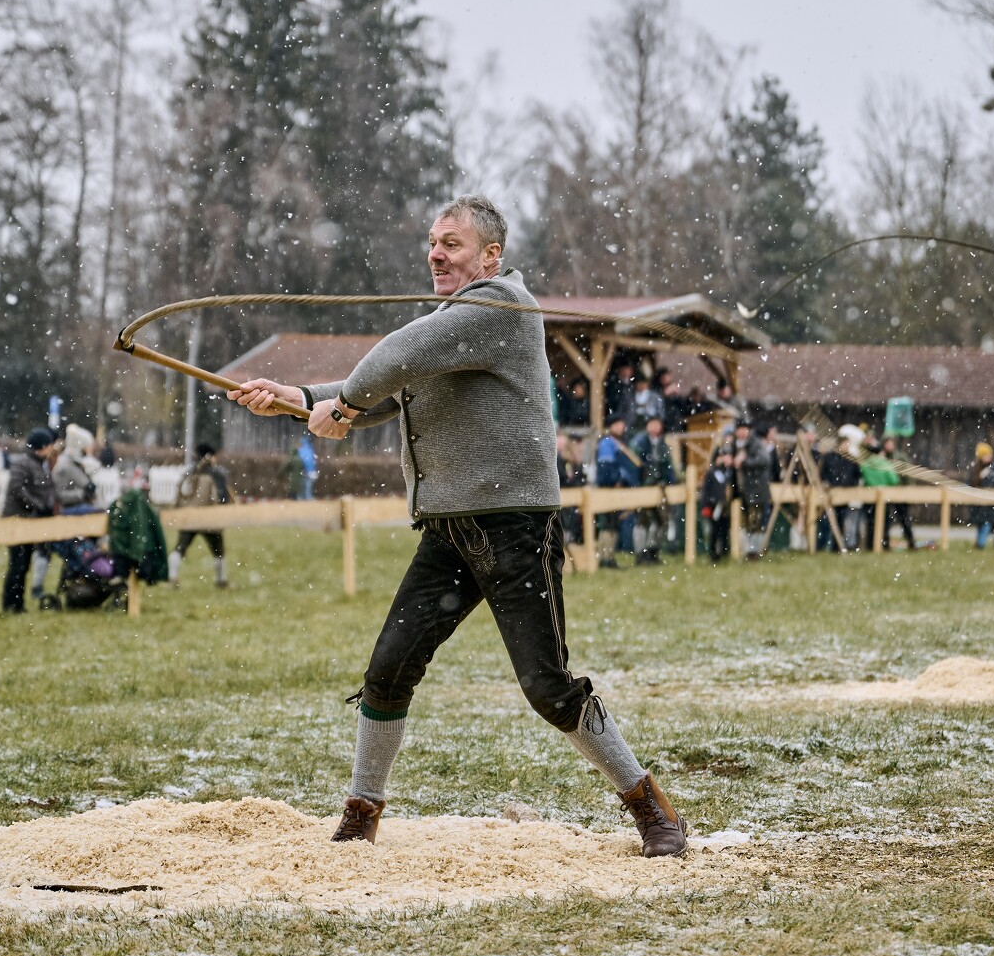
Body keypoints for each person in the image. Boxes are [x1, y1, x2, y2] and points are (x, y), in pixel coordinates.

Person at [227, 194, 687, 857]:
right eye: (433, 242)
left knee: (547, 687)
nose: (435, 253)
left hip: (515, 526)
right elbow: (394, 388)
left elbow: (393, 358)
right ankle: (363, 810)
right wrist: (297, 400)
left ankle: (651, 808)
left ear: (491, 257)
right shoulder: (456, 322)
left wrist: (342, 403)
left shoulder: (499, 305)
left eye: (452, 244)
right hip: (448, 529)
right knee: (388, 671)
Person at [1, 428, 58, 614]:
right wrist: (37, 505)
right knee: (17, 564)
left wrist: (48, 504)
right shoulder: (22, 462)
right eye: (49, 445)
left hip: (30, 521)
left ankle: (18, 603)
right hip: (17, 520)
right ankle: (10, 603)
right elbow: (17, 489)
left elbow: (48, 487)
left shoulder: (41, 463)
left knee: (24, 564)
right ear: (41, 447)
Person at [170, 444, 232, 589]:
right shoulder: (216, 474)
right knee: (218, 551)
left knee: (180, 548)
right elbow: (222, 498)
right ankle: (220, 580)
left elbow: (180, 495)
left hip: (189, 517)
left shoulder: (189, 473)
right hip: (209, 518)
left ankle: (172, 577)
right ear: (210, 457)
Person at [594, 415, 640, 569]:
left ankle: (608, 557)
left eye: (622, 424)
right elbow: (605, 468)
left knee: (612, 524)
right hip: (609, 488)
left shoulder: (618, 443)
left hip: (616, 487)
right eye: (617, 424)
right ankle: (605, 558)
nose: (621, 427)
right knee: (608, 524)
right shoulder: (607, 443)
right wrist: (617, 480)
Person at [629, 416, 676, 564]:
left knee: (660, 520)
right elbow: (634, 466)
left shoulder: (663, 445)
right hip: (643, 487)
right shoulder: (639, 443)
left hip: (659, 488)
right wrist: (636, 486)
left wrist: (670, 481)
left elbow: (668, 466)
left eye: (658, 424)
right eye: (653, 424)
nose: (655, 427)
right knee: (642, 521)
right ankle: (640, 554)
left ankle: (652, 551)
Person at [732, 419, 774, 560]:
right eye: (740, 429)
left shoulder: (755, 443)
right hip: (743, 490)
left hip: (757, 490)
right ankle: (749, 551)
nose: (742, 432)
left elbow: (764, 460)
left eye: (745, 429)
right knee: (747, 523)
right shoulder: (734, 445)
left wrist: (744, 462)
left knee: (755, 522)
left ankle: (754, 552)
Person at [53, 424, 102, 516]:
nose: (90, 449)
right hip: (70, 510)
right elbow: (59, 494)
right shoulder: (65, 465)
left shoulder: (76, 463)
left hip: (78, 508)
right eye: (87, 446)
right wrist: (83, 494)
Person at [698, 445, 735, 563]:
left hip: (725, 506)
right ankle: (713, 553)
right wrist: (706, 506)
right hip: (713, 505)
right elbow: (706, 491)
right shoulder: (712, 472)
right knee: (713, 530)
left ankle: (724, 551)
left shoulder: (730, 472)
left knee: (724, 529)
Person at [554, 432, 587, 548]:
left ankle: (571, 544)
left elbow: (578, 478)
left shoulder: (576, 462)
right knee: (566, 523)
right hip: (565, 498)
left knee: (572, 523)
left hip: (574, 498)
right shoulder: (561, 460)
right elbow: (565, 479)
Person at [295, 433, 319, 500]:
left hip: (305, 471)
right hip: (309, 471)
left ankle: (304, 497)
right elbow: (311, 461)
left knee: (305, 485)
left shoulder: (302, 450)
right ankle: (307, 497)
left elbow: (305, 461)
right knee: (307, 485)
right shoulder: (309, 449)